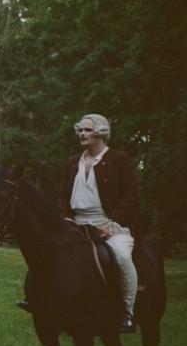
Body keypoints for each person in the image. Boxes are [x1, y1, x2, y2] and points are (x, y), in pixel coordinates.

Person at [18, 114, 139, 333]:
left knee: (121, 256)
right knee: (46, 252)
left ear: (101, 132)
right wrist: (65, 218)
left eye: (87, 130)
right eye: (79, 130)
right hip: (75, 224)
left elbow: (130, 196)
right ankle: (36, 299)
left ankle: (128, 311)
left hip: (109, 224)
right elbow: (63, 194)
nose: (81, 133)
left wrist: (111, 224)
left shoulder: (120, 159)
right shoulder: (72, 161)